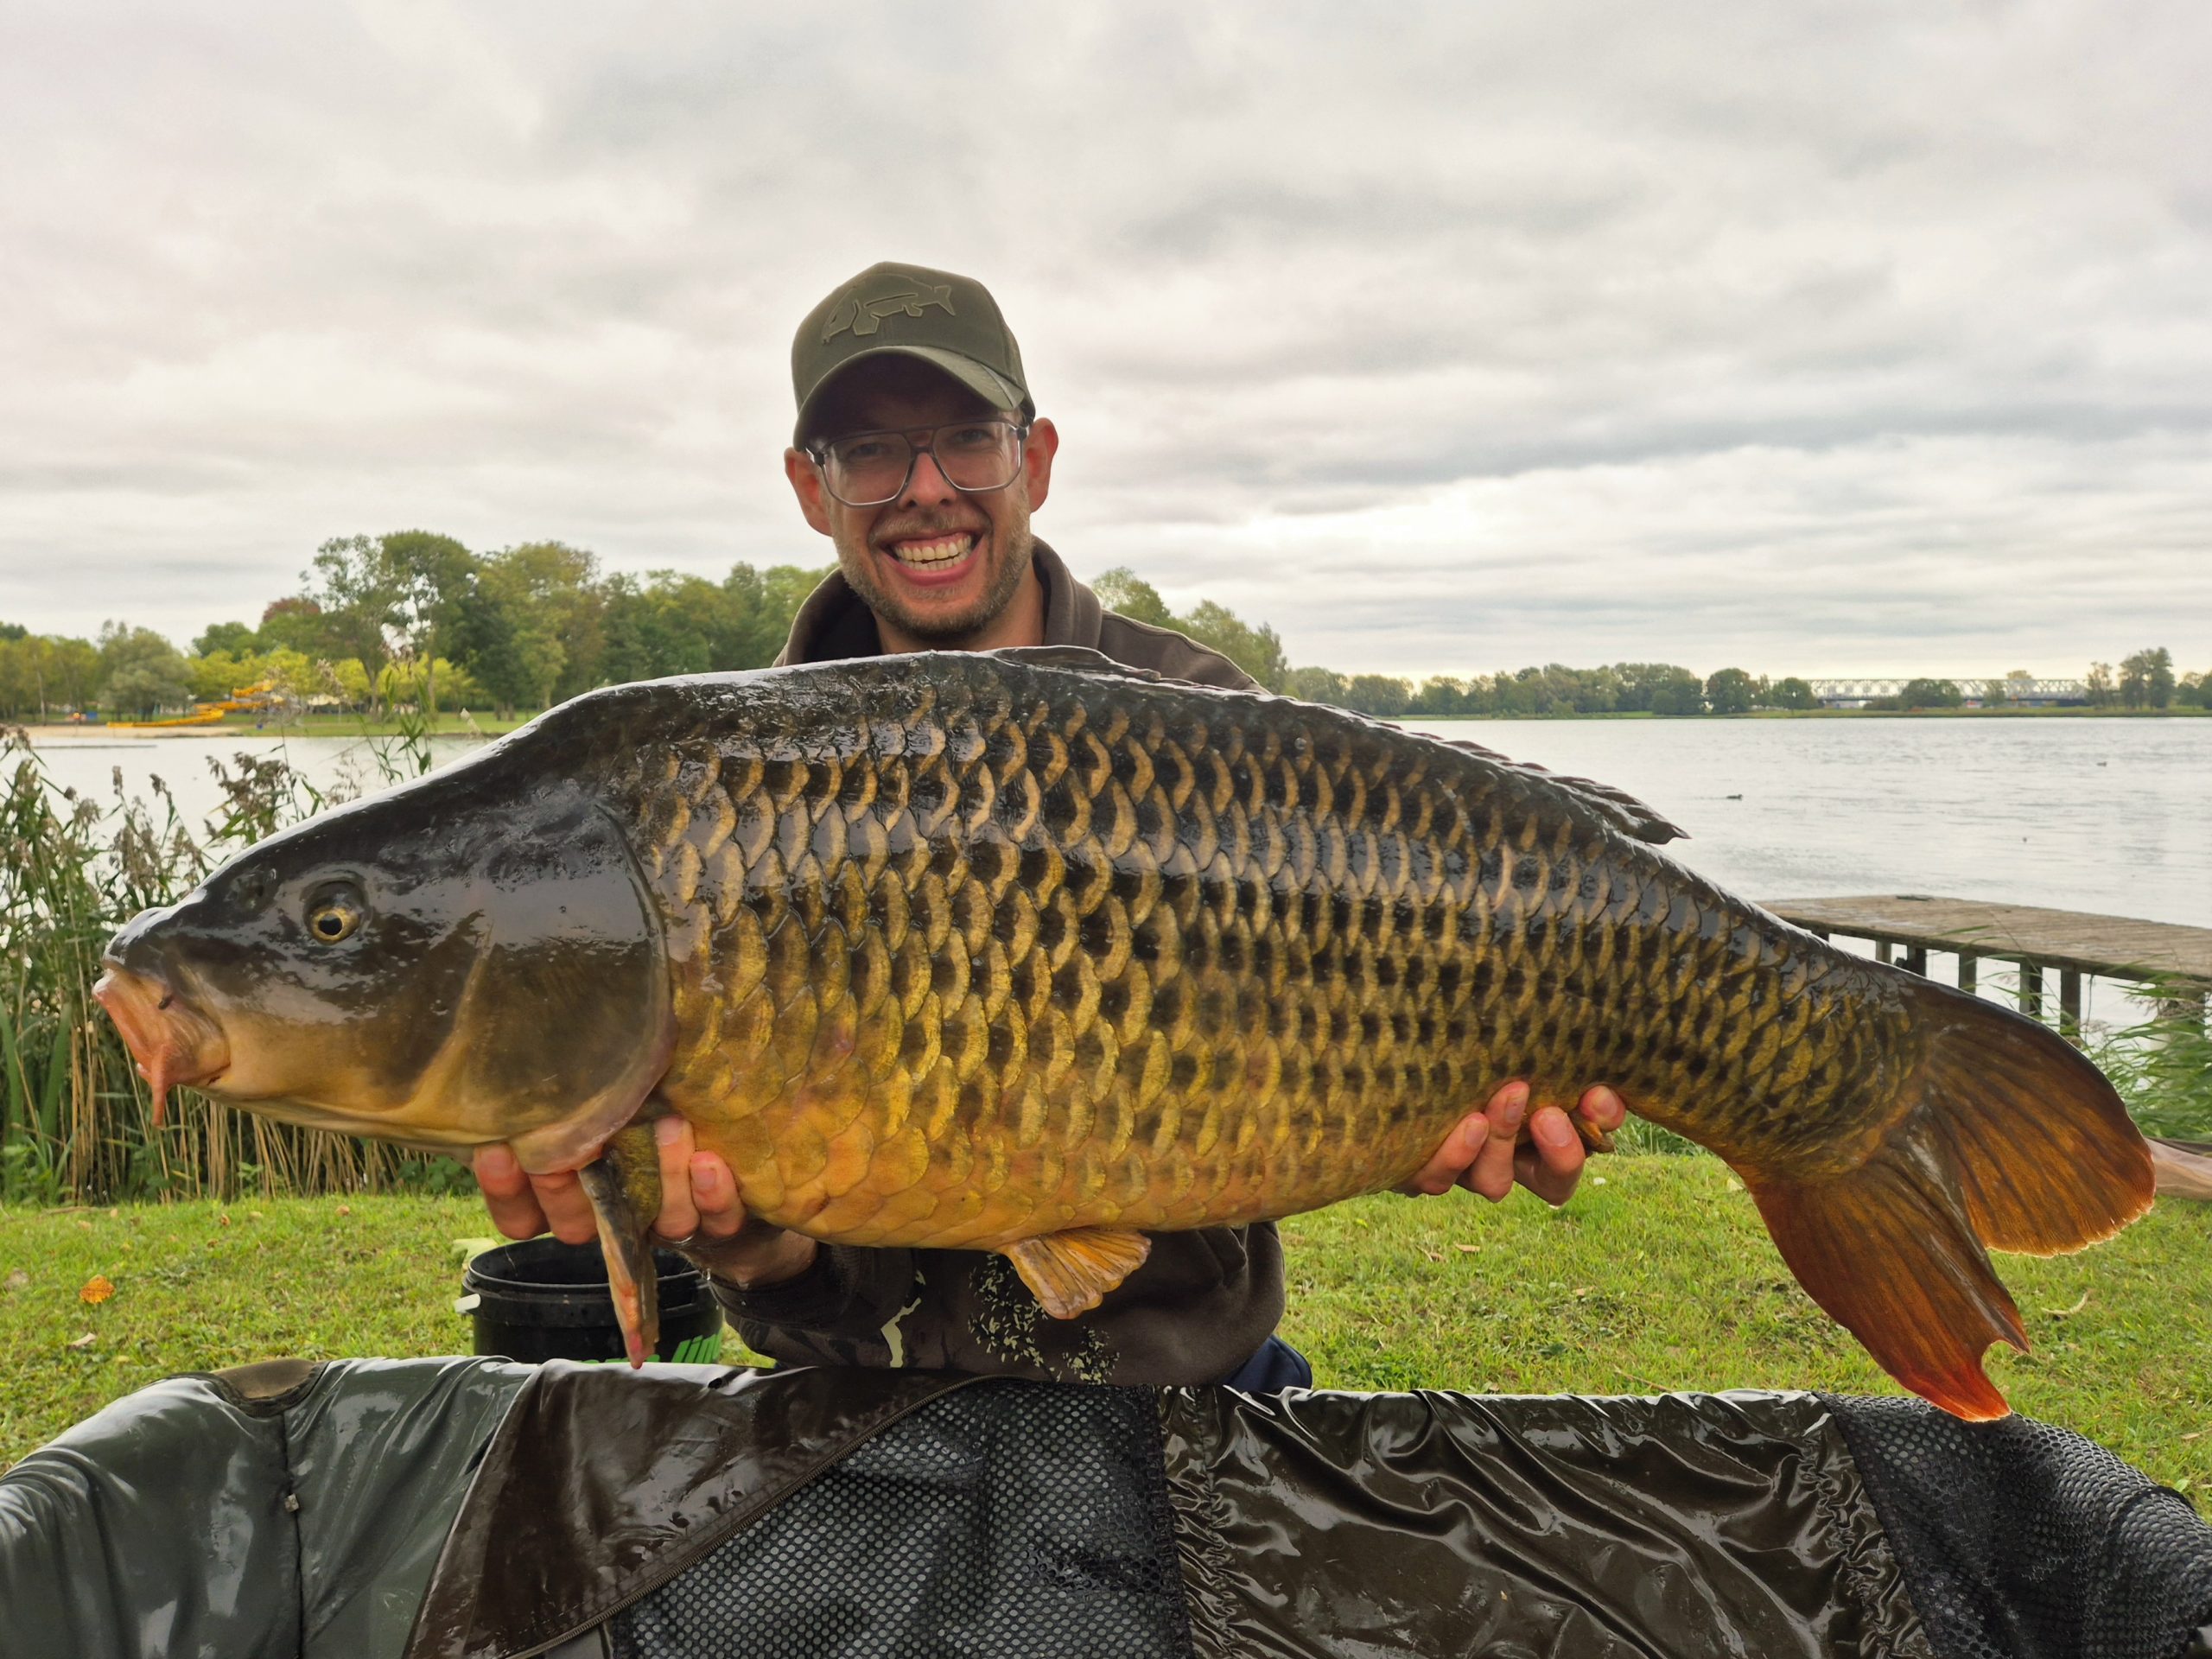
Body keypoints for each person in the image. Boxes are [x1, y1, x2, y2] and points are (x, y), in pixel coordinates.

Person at [474, 262, 1627, 1389]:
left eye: (968, 439)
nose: (927, 489)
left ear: (1036, 457)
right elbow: (790, 1270)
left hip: (1185, 1394)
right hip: (852, 1406)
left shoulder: (1207, 723)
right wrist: (752, 1251)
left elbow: (1388, 1005)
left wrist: (1431, 1114)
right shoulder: (719, 801)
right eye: (870, 452)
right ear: (810, 489)